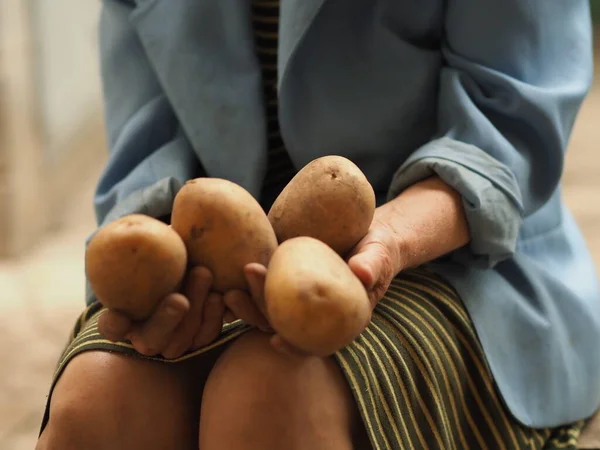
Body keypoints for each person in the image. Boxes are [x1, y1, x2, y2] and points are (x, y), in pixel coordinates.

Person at [36, 1, 600, 449]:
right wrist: (163, 273)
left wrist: (391, 239)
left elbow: (509, 127)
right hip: (213, 259)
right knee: (98, 403)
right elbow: (146, 144)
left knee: (268, 392)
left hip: (454, 248)